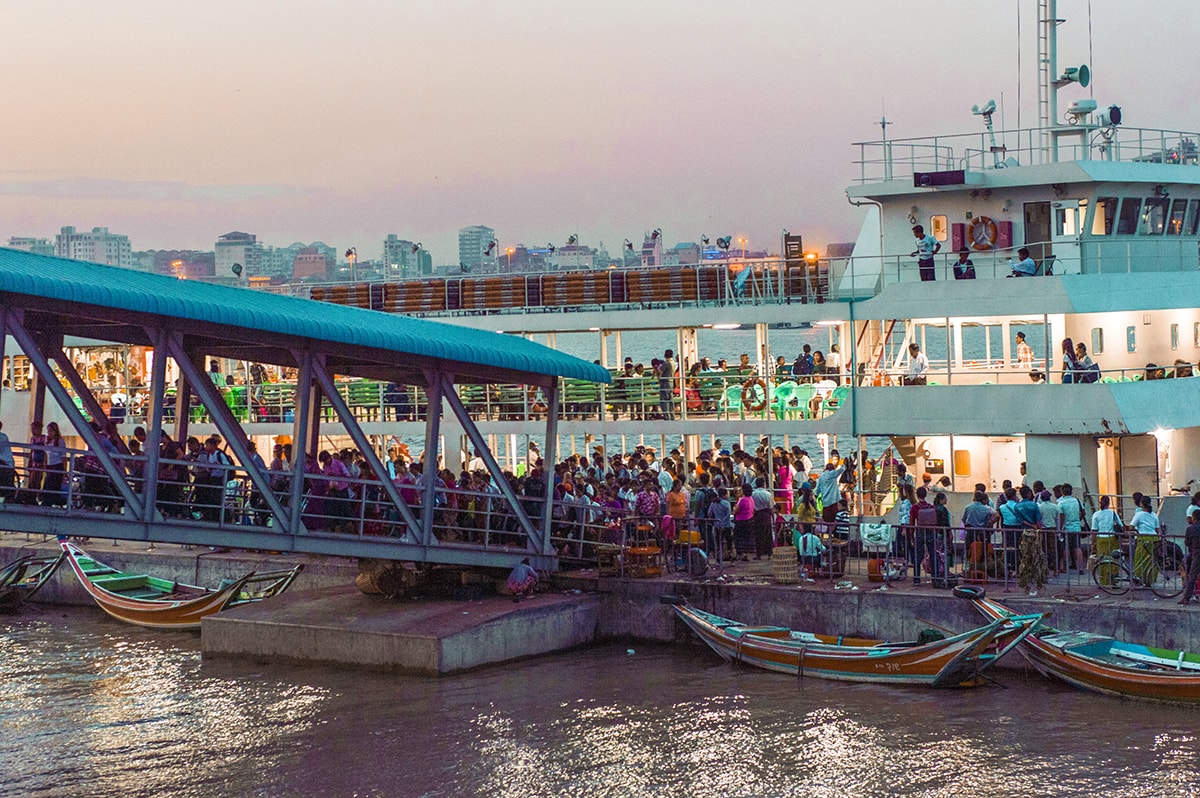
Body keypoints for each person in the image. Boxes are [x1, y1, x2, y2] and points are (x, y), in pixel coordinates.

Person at [909, 486, 939, 585]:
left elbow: (912, 523)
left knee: (918, 556)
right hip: (930, 532)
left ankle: (917, 578)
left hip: (920, 533)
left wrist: (911, 536)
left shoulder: (915, 507)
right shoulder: (931, 507)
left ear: (917, 495)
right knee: (933, 555)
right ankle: (935, 578)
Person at [1058, 483, 1086, 573]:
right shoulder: (1077, 501)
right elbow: (1083, 512)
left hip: (1066, 528)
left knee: (1066, 548)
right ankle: (1080, 567)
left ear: (1062, 492)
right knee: (1077, 548)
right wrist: (1078, 519)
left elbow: (1061, 517)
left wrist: (1060, 528)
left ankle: (1065, 567)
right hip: (1076, 528)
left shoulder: (1061, 503)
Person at [1179, 510, 1200, 605]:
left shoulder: (1190, 529)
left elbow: (1187, 543)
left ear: (1194, 518)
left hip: (1196, 553)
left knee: (1192, 575)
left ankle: (1186, 598)